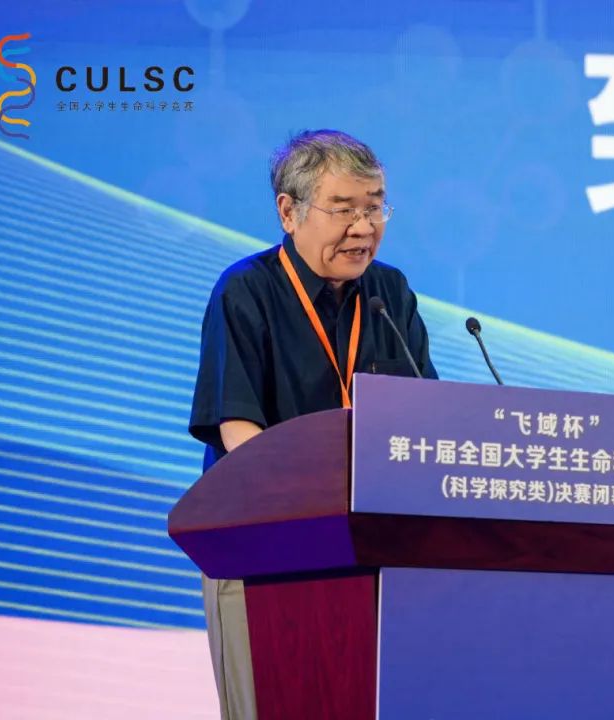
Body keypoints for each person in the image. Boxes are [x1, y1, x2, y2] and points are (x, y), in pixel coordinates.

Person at [188, 129, 438, 719]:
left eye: (375, 207)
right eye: (344, 209)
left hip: (373, 551)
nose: (364, 227)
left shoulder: (390, 292)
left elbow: (427, 420)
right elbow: (238, 430)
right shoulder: (246, 290)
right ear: (289, 211)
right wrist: (310, 505)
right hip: (263, 549)